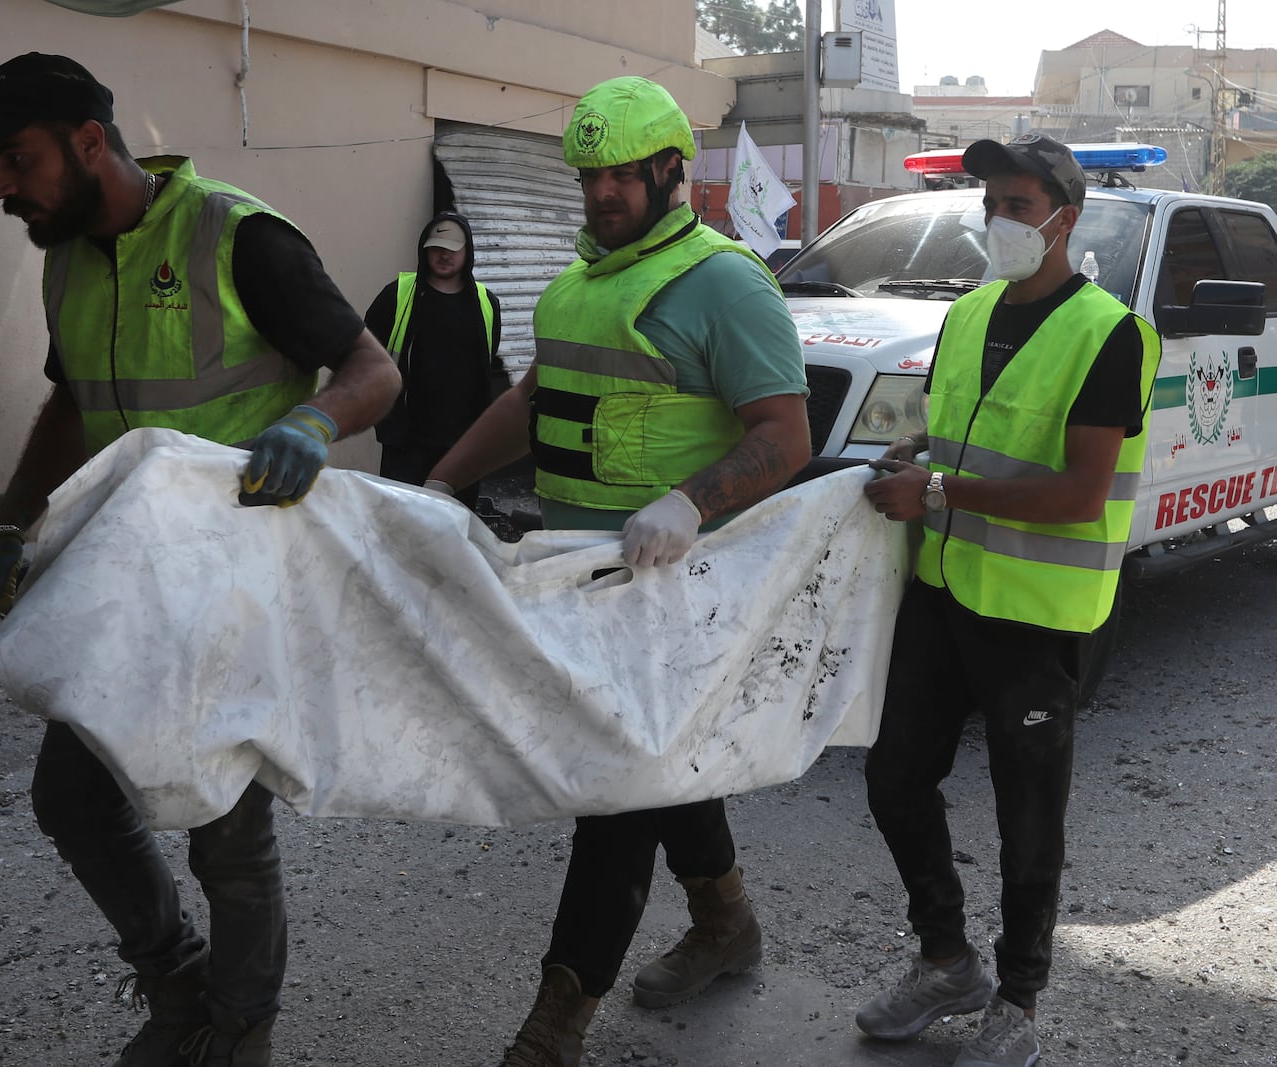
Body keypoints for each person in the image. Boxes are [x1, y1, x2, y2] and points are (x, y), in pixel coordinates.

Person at [0, 53, 400, 1067]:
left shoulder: (238, 235)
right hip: (128, 579)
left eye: (16, 158)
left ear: (90, 142)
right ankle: (179, 982)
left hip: (236, 581)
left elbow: (374, 369)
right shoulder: (67, 255)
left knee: (223, 826)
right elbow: (70, 404)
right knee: (74, 795)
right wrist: (10, 528)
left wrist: (315, 423)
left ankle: (238, 1033)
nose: (0, 185)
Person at [426, 76, 811, 1067]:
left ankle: (554, 1024)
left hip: (673, 594)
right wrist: (440, 479)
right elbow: (532, 397)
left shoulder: (725, 282)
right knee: (660, 768)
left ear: (669, 169)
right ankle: (726, 925)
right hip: (580, 583)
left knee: (617, 797)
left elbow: (787, 434)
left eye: (618, 177)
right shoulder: (578, 281)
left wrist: (688, 501)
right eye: (589, 176)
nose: (600, 193)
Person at [860, 133, 1160, 1067]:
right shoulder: (968, 313)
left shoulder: (1109, 330)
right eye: (989, 204)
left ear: (1065, 218)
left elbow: (1078, 491)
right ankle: (947, 960)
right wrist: (915, 457)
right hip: (945, 591)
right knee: (893, 776)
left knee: (1027, 820)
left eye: (1018, 207)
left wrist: (938, 493)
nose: (998, 222)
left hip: (1035, 614)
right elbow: (948, 433)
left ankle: (1019, 1001)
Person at [365, 211, 506, 510]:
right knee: (399, 523)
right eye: (437, 247)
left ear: (467, 252)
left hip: (463, 443)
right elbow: (364, 355)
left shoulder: (486, 303)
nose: (444, 255)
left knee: (454, 527)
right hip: (406, 442)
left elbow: (487, 361)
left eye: (453, 249)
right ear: (425, 249)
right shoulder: (397, 297)